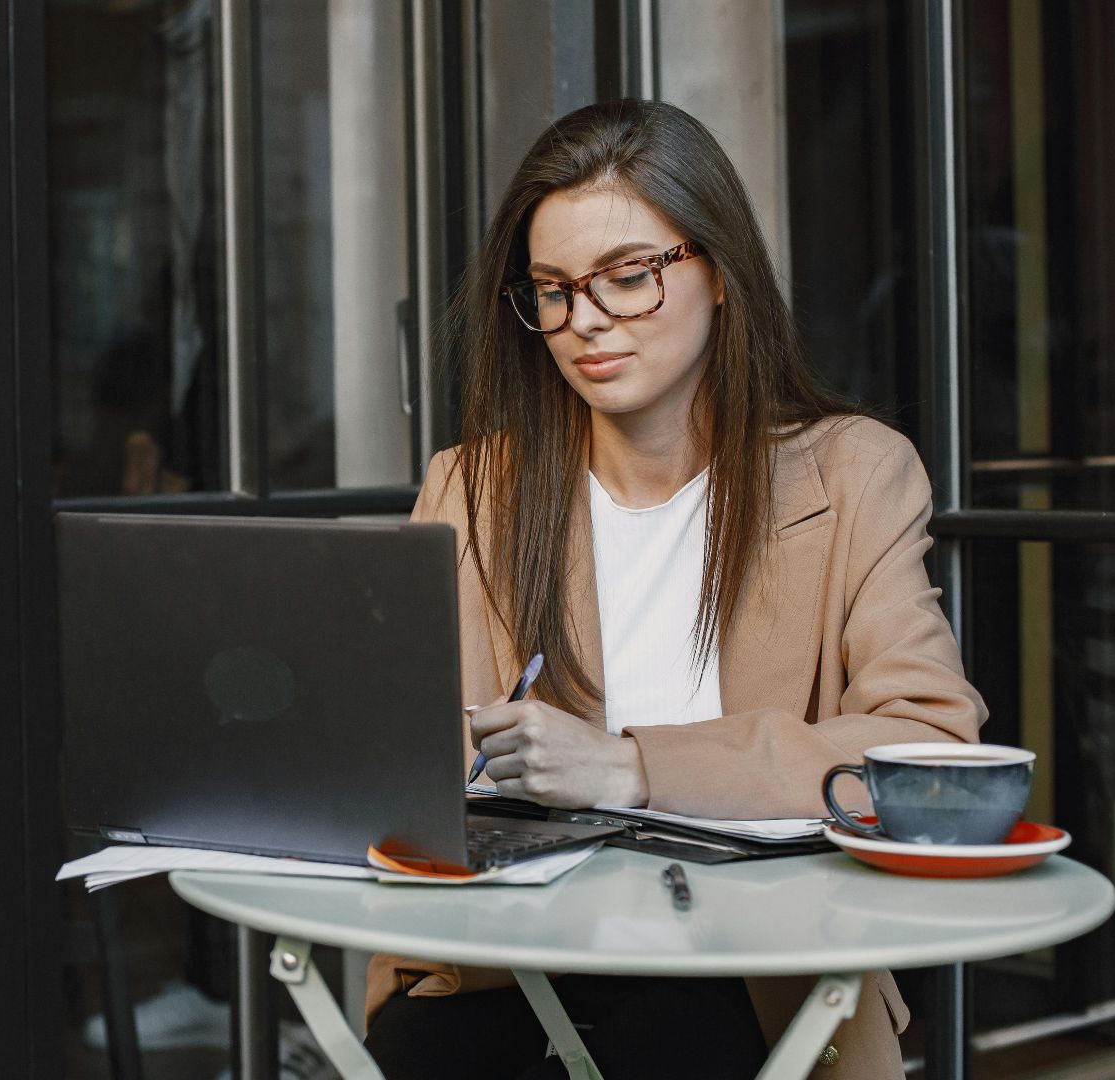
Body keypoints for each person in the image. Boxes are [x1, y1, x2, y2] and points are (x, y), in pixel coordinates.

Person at [361, 100, 986, 1079]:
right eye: (554, 290)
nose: (585, 322)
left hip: (757, 974)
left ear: (720, 272)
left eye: (628, 277)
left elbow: (932, 754)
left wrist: (637, 769)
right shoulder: (475, 489)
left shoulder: (853, 475)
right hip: (509, 967)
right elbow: (395, 757)